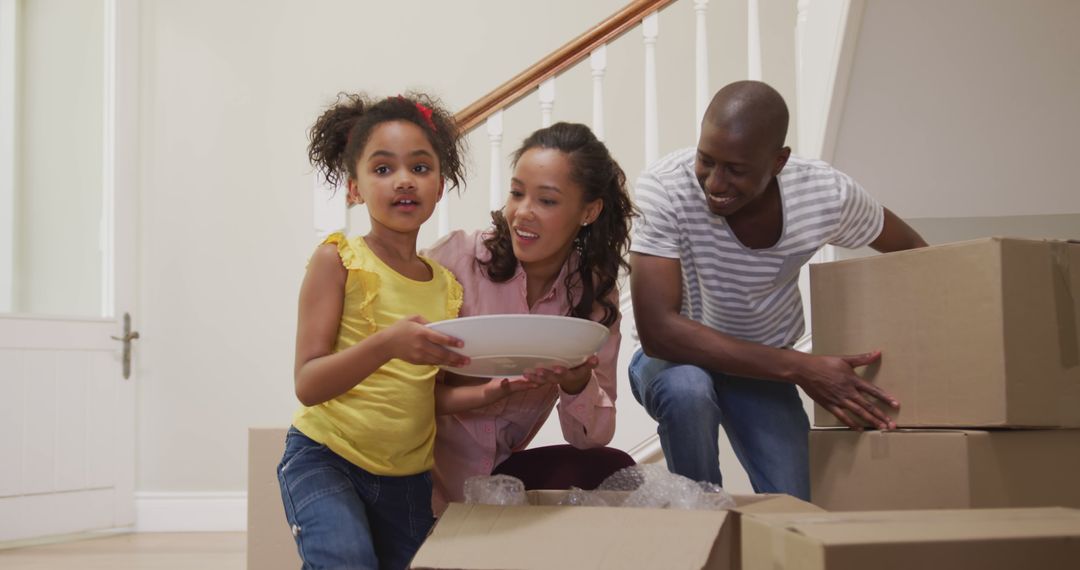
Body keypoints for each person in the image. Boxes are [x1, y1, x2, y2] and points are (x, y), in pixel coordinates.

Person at [628, 80, 928, 501]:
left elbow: (915, 254)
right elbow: (659, 332)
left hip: (761, 366)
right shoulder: (665, 187)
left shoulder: (825, 194)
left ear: (779, 161)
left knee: (797, 504)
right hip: (676, 360)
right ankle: (698, 519)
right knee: (688, 391)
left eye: (736, 169)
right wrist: (803, 368)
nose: (714, 182)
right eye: (706, 160)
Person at [278, 92, 471, 570]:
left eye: (420, 168)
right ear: (354, 189)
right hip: (327, 457)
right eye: (383, 169)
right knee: (346, 559)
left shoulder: (447, 288)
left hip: (407, 479)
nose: (404, 180)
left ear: (440, 186)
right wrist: (387, 343)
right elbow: (308, 383)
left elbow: (434, 398)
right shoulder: (338, 260)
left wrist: (505, 387)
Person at [424, 122, 639, 515]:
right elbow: (396, 388)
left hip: (496, 482)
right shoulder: (458, 260)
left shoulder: (591, 294)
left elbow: (592, 436)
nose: (523, 213)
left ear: (589, 211)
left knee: (614, 469)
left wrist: (577, 382)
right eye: (517, 193)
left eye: (548, 201)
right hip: (417, 476)